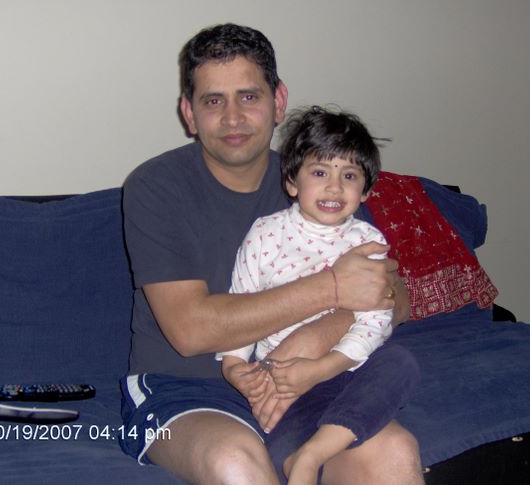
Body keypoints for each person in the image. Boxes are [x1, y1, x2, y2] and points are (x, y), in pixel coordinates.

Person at [120, 22, 423, 485]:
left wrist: (313, 341)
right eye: (213, 101)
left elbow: (395, 298)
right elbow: (191, 331)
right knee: (236, 463)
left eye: (249, 96)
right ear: (189, 113)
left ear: (279, 101)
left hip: (305, 383)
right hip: (184, 390)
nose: (233, 117)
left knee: (394, 453)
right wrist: (333, 288)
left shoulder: (319, 179)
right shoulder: (156, 188)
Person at [217, 105, 414, 484]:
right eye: (320, 172)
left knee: (400, 363)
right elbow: (240, 305)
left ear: (366, 191)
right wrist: (233, 367)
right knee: (278, 434)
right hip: (288, 383)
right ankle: (303, 450)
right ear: (292, 181)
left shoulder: (367, 242)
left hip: (348, 371)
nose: (334, 187)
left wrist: (325, 368)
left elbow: (375, 321)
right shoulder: (266, 234)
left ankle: (311, 455)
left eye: (349, 176)